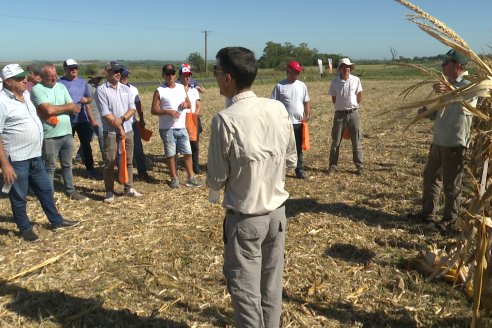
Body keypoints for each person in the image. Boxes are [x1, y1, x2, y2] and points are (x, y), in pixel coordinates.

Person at [207, 47, 297, 328]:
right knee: (270, 289)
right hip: (277, 217)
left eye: (217, 72)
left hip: (245, 219)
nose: (216, 78)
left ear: (228, 78)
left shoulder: (225, 120)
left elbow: (216, 179)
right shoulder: (277, 108)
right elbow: (292, 161)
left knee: (245, 296)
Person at [0, 64, 79, 241]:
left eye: (24, 77)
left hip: (35, 155)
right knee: (19, 196)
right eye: (20, 78)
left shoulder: (25, 94)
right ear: (8, 81)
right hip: (17, 157)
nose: (25, 80)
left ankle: (56, 221)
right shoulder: (2, 103)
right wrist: (5, 164)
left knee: (45, 189)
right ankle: (24, 228)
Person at [416, 49, 477, 231]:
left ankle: (450, 220)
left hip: (454, 143)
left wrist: (447, 89)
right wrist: (429, 113)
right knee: (431, 177)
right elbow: (443, 111)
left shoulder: (470, 86)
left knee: (451, 184)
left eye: (446, 62)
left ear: (457, 66)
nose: (442, 65)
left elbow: (464, 104)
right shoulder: (447, 84)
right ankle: (428, 214)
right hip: (439, 140)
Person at [31, 63, 88, 201]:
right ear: (42, 77)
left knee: (67, 165)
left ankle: (71, 190)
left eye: (55, 75)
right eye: (50, 76)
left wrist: (61, 108)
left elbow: (73, 107)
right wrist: (66, 107)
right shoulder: (37, 89)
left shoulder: (61, 86)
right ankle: (48, 195)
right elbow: (48, 110)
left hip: (67, 133)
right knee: (50, 167)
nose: (54, 78)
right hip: (50, 134)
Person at [95, 61, 143, 203]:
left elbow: (132, 109)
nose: (118, 73)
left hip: (128, 130)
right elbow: (105, 113)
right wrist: (118, 126)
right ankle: (109, 192)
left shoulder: (126, 89)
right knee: (110, 162)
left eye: (119, 71)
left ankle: (129, 188)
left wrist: (121, 120)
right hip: (110, 132)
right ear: (107, 72)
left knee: (128, 160)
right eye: (114, 70)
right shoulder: (101, 90)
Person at [151, 64, 202, 188]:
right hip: (167, 128)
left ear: (175, 75)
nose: (170, 76)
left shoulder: (180, 88)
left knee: (188, 153)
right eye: (167, 74)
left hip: (182, 126)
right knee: (171, 154)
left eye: (172, 73)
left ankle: (191, 177)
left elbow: (189, 103)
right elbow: (153, 110)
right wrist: (167, 111)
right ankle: (174, 178)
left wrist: (186, 104)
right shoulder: (160, 90)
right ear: (163, 75)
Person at [271, 60, 311, 179]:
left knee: (298, 148)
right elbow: (273, 105)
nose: (298, 74)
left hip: (298, 124)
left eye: (299, 72)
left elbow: (306, 101)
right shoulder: (279, 86)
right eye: (296, 72)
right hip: (284, 124)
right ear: (288, 71)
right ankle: (280, 171)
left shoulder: (302, 85)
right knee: (282, 147)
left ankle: (299, 170)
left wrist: (307, 115)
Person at [59, 59, 97, 178]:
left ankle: (90, 169)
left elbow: (89, 98)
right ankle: (65, 171)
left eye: (76, 67)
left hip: (82, 120)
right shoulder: (59, 83)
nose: (74, 69)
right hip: (66, 120)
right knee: (65, 146)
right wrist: (68, 107)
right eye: (71, 68)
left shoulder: (82, 82)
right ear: (65, 69)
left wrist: (87, 100)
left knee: (86, 145)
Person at [327, 58, 364, 176]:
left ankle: (359, 166)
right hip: (339, 114)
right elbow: (334, 98)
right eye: (343, 67)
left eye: (348, 67)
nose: (346, 69)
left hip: (353, 113)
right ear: (340, 69)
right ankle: (332, 166)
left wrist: (353, 107)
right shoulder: (334, 82)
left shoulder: (356, 80)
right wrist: (341, 106)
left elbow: (359, 95)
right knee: (335, 142)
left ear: (350, 68)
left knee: (356, 141)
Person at [120, 66, 150, 180]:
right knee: (120, 150)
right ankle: (123, 174)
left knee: (138, 149)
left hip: (132, 123)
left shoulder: (133, 89)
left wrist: (141, 119)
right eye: (123, 75)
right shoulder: (115, 89)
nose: (125, 77)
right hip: (119, 124)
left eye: (126, 75)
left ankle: (142, 172)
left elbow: (138, 104)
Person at [177, 64, 202, 174]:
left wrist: (195, 115)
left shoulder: (194, 90)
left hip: (192, 118)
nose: (187, 78)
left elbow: (198, 104)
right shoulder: (176, 90)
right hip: (180, 120)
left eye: (189, 75)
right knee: (182, 143)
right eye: (185, 75)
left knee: (194, 143)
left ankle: (195, 166)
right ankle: (183, 164)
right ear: (180, 76)